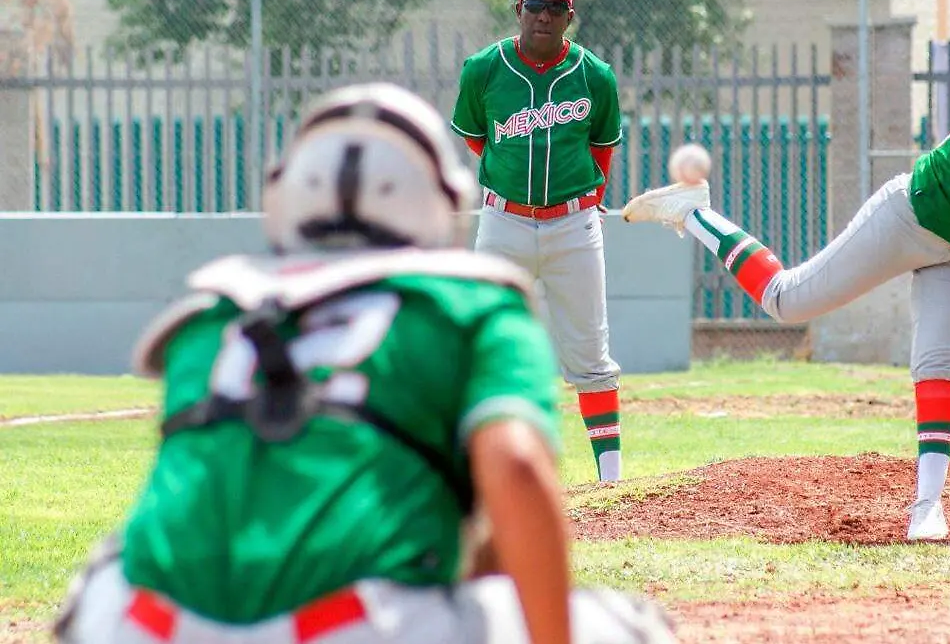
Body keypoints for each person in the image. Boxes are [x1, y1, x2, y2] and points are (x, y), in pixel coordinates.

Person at [54, 83, 676, 644]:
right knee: (623, 625)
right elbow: (513, 468)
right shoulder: (469, 305)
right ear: (440, 199)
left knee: (106, 570)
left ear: (285, 190)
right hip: (350, 623)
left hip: (146, 624)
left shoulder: (213, 310)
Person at [622, 43, 950, 541]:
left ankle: (926, 508)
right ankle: (695, 212)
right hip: (905, 221)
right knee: (786, 300)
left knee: (939, 365)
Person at [451, 0, 625, 482]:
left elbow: (601, 150)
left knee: (591, 353)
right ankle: (480, 477)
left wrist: (586, 206)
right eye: (534, 5)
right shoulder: (484, 69)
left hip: (573, 225)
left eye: (554, 7)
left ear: (570, 17)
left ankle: (610, 481)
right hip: (503, 223)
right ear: (517, 10)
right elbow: (479, 140)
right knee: (484, 344)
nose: (543, 15)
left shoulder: (596, 75)